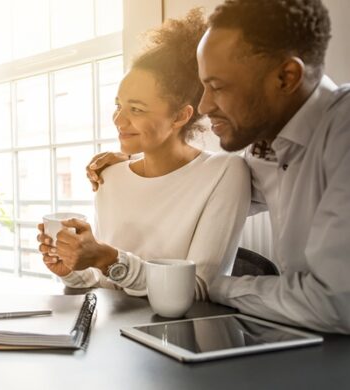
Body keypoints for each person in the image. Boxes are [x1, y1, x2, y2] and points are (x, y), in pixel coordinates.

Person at [88, 0, 350, 334]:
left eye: (218, 86)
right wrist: (138, 160)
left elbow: (335, 303)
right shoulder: (264, 153)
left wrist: (212, 285)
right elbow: (199, 181)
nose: (204, 105)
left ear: (286, 77)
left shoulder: (343, 133)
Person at [36, 10, 250, 301]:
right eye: (118, 105)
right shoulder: (109, 176)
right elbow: (105, 283)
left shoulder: (224, 172)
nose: (118, 120)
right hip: (111, 337)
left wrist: (107, 259)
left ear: (180, 116)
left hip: (178, 337)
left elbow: (199, 289)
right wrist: (70, 267)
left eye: (136, 109)